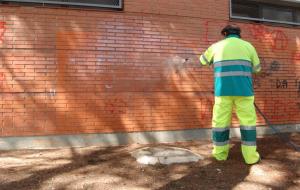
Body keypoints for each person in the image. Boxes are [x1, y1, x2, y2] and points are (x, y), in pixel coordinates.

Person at [199, 24, 261, 164]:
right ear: (239, 34)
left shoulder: (216, 46)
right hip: (244, 91)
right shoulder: (248, 46)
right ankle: (250, 158)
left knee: (220, 123)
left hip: (223, 92)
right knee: (248, 124)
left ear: (225, 34)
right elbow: (257, 69)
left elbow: (202, 61)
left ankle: (220, 155)